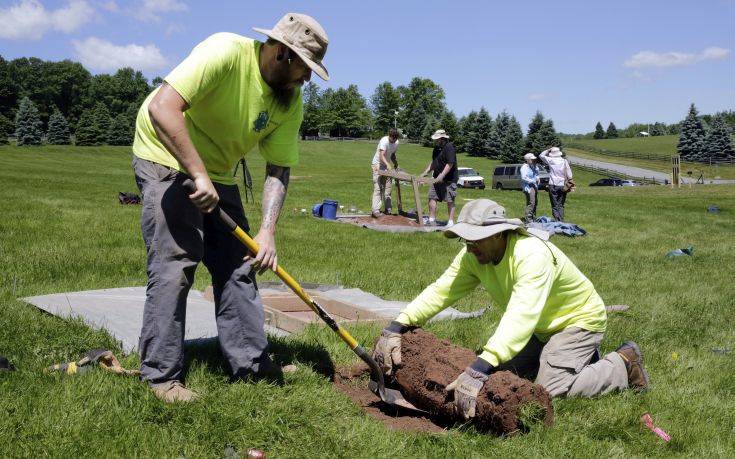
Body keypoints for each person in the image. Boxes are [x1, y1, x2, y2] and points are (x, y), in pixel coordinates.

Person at [131, 13, 329, 403]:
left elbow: (278, 168)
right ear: (283, 53)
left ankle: (252, 364)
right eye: (305, 68)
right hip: (163, 152)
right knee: (176, 263)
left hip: (216, 170)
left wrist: (267, 231)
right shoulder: (224, 51)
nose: (307, 79)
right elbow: (162, 107)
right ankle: (160, 378)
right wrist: (197, 173)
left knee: (240, 262)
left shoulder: (290, 101)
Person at [373, 199, 649, 420]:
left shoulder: (532, 256)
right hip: (539, 327)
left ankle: (622, 365)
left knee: (549, 390)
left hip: (577, 322)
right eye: (465, 240)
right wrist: (397, 325)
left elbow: (521, 314)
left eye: (476, 239)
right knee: (501, 375)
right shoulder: (473, 255)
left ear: (500, 234)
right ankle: (577, 361)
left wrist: (481, 366)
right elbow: (442, 290)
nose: (469, 247)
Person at [421, 129, 458, 226]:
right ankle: (432, 219)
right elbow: (434, 162)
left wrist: (442, 175)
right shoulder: (436, 149)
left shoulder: (449, 147)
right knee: (432, 196)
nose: (436, 141)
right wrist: (425, 172)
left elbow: (450, 163)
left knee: (450, 199)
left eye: (437, 139)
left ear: (442, 139)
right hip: (436, 178)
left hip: (449, 179)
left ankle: (450, 222)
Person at [371, 129, 400, 217]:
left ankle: (388, 209)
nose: (393, 140)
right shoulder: (384, 141)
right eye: (392, 138)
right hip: (378, 164)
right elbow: (381, 155)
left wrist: (395, 164)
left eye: (395, 139)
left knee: (388, 188)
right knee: (378, 188)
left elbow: (393, 154)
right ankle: (375, 210)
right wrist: (387, 164)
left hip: (387, 166)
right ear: (389, 136)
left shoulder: (396, 142)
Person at [538, 147, 573, 221]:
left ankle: (557, 220)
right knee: (561, 204)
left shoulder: (550, 160)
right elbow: (569, 174)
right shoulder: (564, 161)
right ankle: (561, 220)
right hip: (563, 185)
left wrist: (548, 150)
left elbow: (541, 155)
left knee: (554, 204)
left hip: (553, 184)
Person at [520, 153, 540, 222]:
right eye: (532, 159)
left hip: (534, 186)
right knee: (531, 203)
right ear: (527, 160)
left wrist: (537, 177)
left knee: (535, 202)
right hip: (528, 187)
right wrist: (533, 181)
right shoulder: (524, 167)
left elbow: (536, 174)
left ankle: (533, 217)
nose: (534, 160)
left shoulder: (533, 166)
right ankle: (528, 219)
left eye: (534, 159)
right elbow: (524, 177)